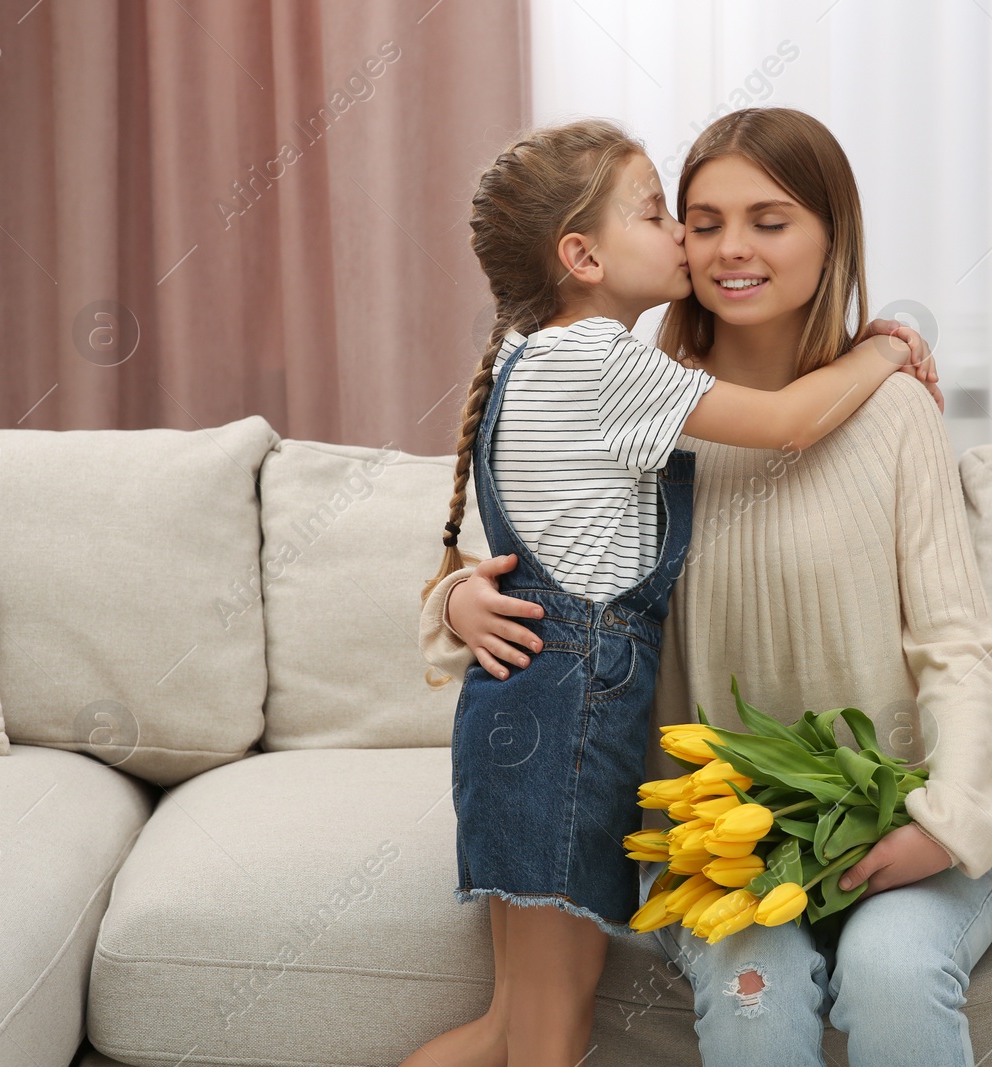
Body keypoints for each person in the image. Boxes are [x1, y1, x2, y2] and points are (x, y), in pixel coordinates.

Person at [402, 117, 939, 1067]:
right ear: (582, 255)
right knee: (546, 1036)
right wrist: (889, 347)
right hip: (561, 727)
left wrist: (451, 601)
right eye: (660, 215)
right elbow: (781, 423)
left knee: (512, 1029)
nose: (687, 239)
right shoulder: (604, 364)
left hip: (531, 724)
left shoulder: (538, 359)